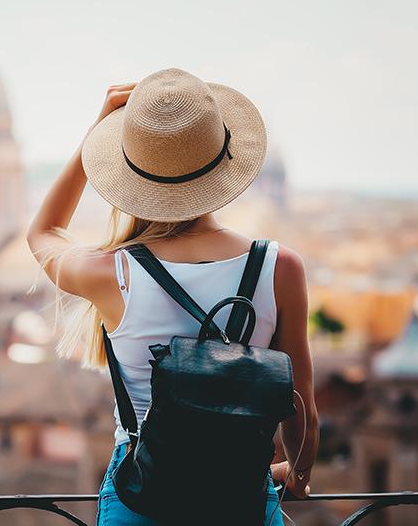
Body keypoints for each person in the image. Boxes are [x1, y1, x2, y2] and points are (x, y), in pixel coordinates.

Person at [26, 68, 319, 525]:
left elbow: (42, 232)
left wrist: (94, 136)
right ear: (223, 163)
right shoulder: (281, 267)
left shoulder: (113, 272)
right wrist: (297, 477)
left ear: (129, 171)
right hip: (240, 499)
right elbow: (302, 411)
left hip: (142, 500)